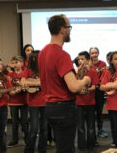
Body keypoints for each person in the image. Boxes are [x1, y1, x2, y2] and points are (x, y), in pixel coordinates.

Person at [38, 14, 91, 153]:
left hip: (49, 107)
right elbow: (73, 87)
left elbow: (57, 80)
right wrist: (86, 79)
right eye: (69, 27)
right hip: (64, 108)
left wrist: (77, 74)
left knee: (61, 147)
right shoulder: (62, 55)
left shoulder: (43, 52)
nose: (70, 30)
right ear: (62, 30)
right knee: (66, 149)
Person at [20, 51, 46, 153]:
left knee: (44, 128)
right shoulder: (28, 70)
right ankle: (29, 150)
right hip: (33, 103)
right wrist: (39, 83)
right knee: (34, 129)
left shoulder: (45, 69)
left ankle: (42, 149)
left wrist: (32, 83)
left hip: (45, 102)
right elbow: (23, 82)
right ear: (33, 59)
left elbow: (47, 82)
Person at [76, 51, 99, 153]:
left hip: (90, 103)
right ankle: (81, 146)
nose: (80, 61)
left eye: (82, 59)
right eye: (79, 59)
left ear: (88, 60)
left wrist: (87, 90)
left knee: (90, 127)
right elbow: (73, 84)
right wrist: (78, 72)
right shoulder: (76, 71)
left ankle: (91, 145)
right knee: (80, 127)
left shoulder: (93, 72)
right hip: (78, 103)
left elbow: (95, 85)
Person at [7, 56, 28, 148]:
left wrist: (20, 89)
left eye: (17, 62)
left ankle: (27, 139)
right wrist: (14, 91)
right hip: (13, 102)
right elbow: (8, 87)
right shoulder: (10, 75)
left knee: (25, 121)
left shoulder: (25, 74)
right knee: (14, 121)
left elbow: (27, 86)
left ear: (22, 63)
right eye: (14, 63)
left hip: (24, 101)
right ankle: (15, 139)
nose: (15, 65)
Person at [90, 47, 108, 138]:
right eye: (92, 53)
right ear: (90, 54)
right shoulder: (88, 64)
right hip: (91, 90)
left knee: (99, 111)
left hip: (99, 90)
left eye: (96, 53)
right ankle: (91, 131)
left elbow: (104, 76)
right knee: (91, 112)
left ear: (98, 53)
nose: (94, 55)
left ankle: (100, 130)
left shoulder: (103, 64)